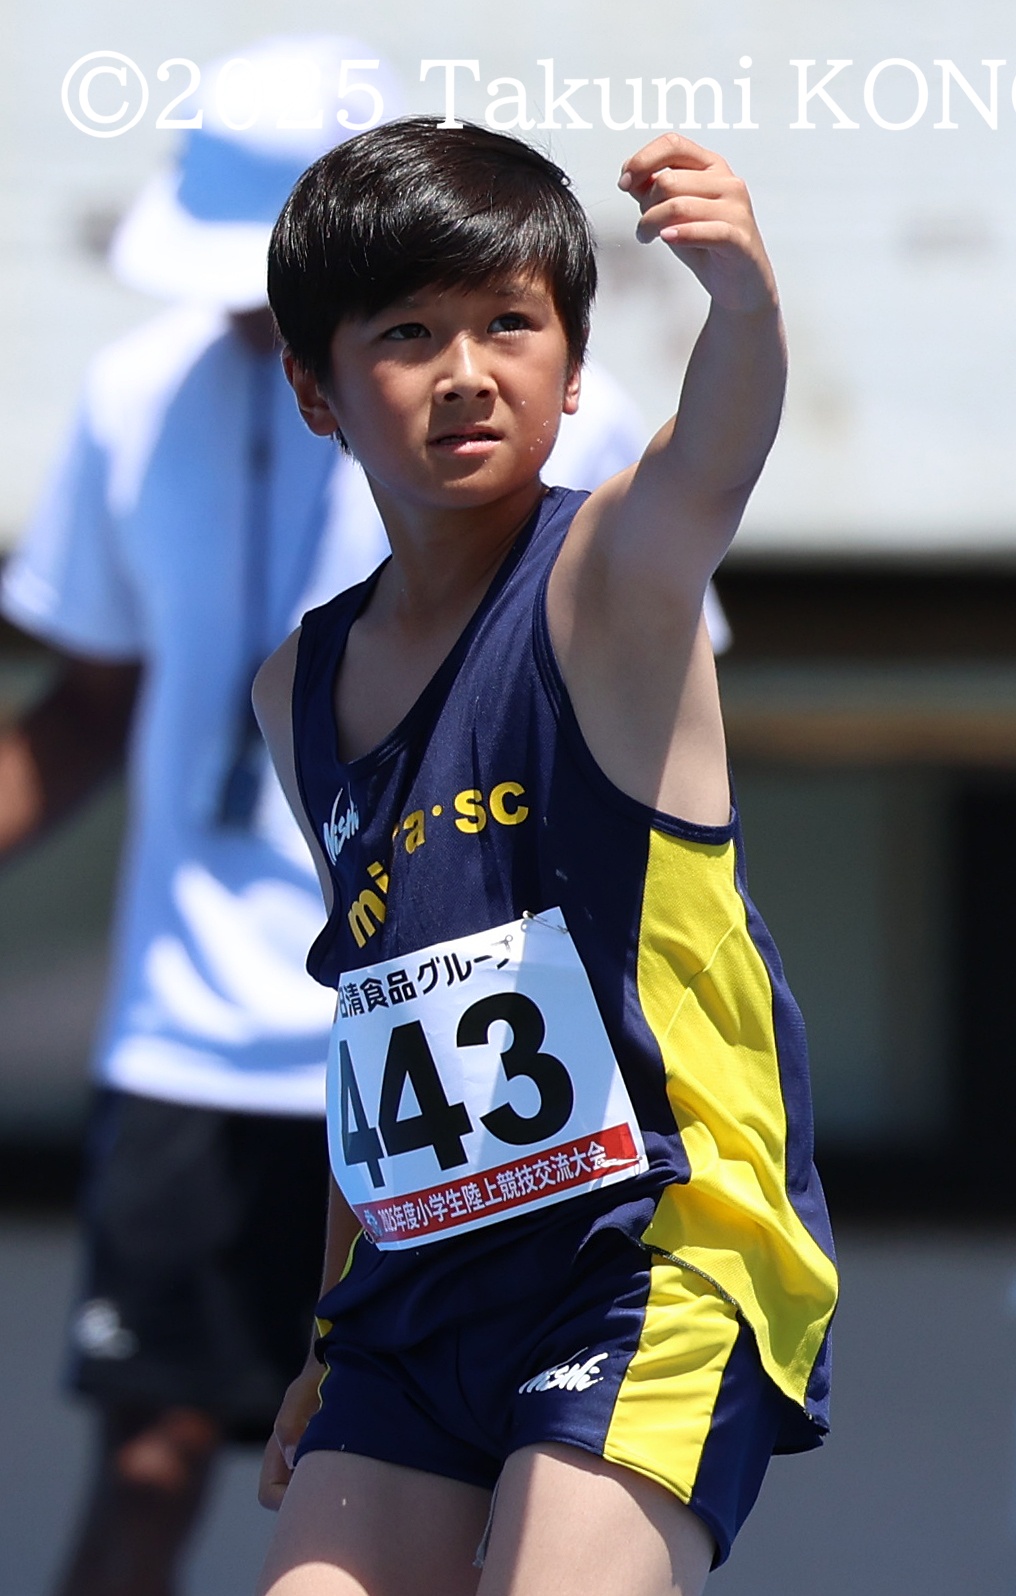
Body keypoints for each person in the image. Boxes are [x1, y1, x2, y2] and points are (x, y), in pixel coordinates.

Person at [0, 40, 669, 1596]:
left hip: (486, 1039)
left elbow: (650, 721)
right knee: (154, 1456)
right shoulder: (136, 393)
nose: (246, 312)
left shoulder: (548, 400)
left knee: (511, 1474)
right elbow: (81, 709)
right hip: (194, 1025)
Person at [251, 118, 837, 1596]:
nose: (465, 371)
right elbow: (379, 1014)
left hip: (648, 1255)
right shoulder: (294, 687)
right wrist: (328, 1326)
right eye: (407, 334)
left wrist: (744, 295)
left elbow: (717, 448)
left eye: (509, 325)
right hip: (415, 1293)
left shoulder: (617, 576)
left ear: (573, 369)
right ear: (316, 388)